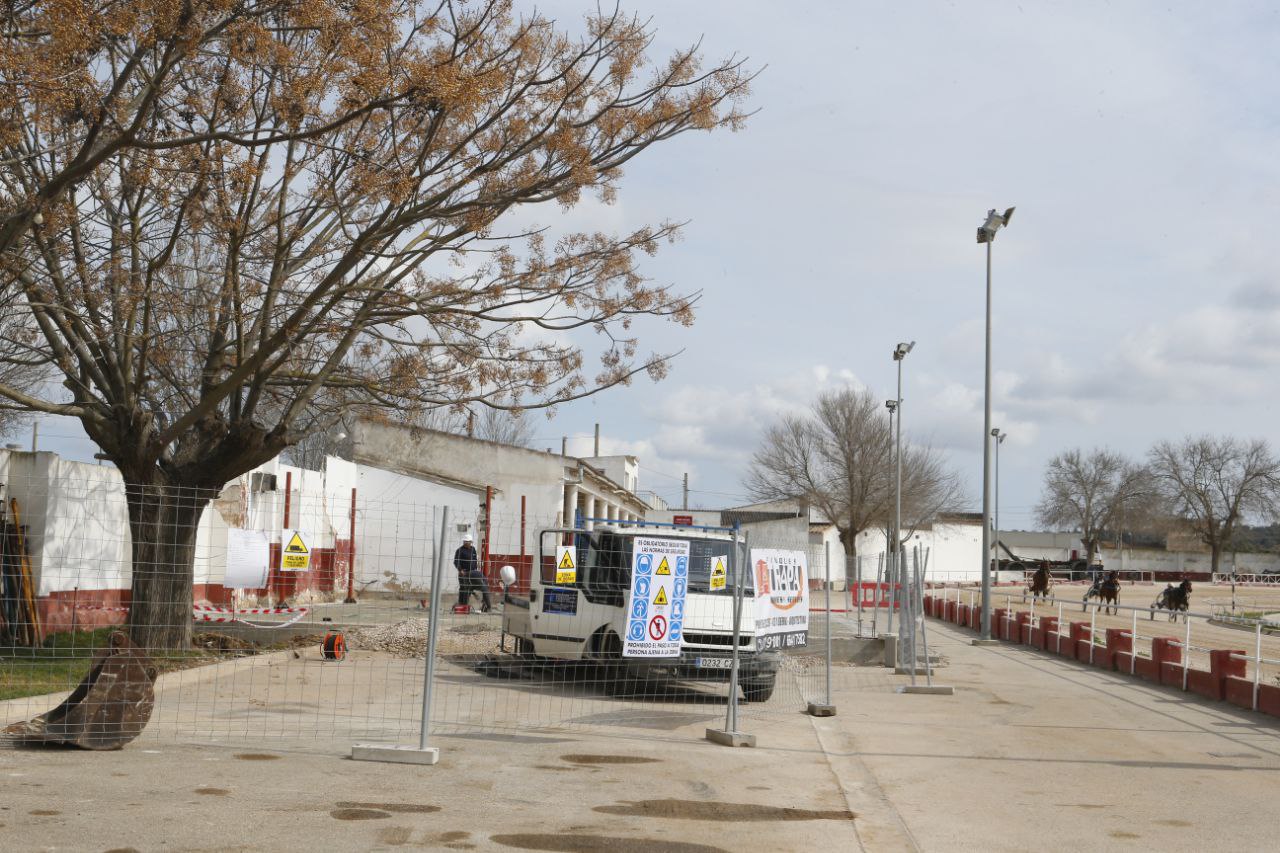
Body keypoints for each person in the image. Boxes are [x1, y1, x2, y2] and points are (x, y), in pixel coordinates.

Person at [454, 534, 492, 612]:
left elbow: (475, 560)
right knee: (464, 589)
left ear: (471, 542)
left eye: (469, 542)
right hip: (464, 573)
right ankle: (462, 604)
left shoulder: (473, 549)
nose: (468, 543)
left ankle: (486, 606)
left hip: (473, 573)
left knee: (474, 588)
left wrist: (477, 567)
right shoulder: (460, 550)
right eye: (466, 542)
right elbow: (456, 561)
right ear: (464, 542)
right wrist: (460, 570)